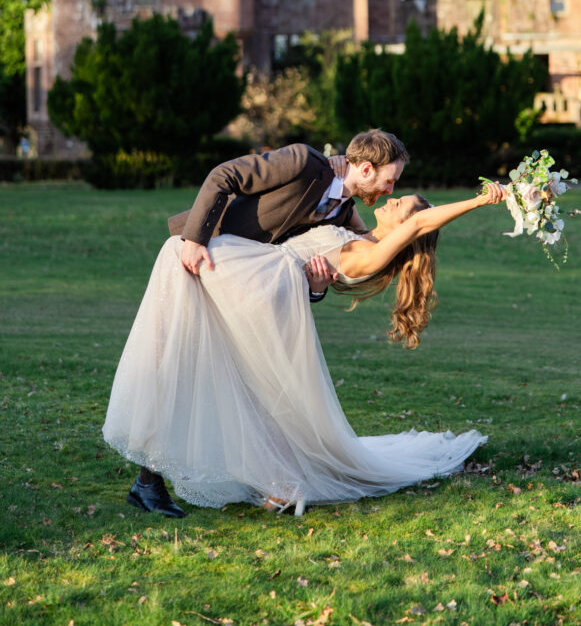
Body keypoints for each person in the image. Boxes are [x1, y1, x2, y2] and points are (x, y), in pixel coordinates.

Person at [103, 176, 506, 517]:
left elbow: (421, 227)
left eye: (402, 204)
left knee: (182, 273)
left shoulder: (373, 253)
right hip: (260, 280)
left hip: (260, 284)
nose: (393, 198)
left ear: (409, 225)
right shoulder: (362, 234)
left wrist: (482, 199)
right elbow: (339, 200)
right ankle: (157, 477)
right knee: (195, 351)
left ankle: (241, 478)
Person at [117, 130, 408, 516]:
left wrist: (317, 288)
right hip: (198, 262)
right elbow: (224, 175)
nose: (389, 190)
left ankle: (264, 481)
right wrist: (194, 239)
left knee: (240, 380)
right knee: (176, 367)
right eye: (390, 180)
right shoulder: (304, 162)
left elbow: (289, 263)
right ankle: (147, 484)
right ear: (367, 169)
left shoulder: (339, 212)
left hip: (240, 289)